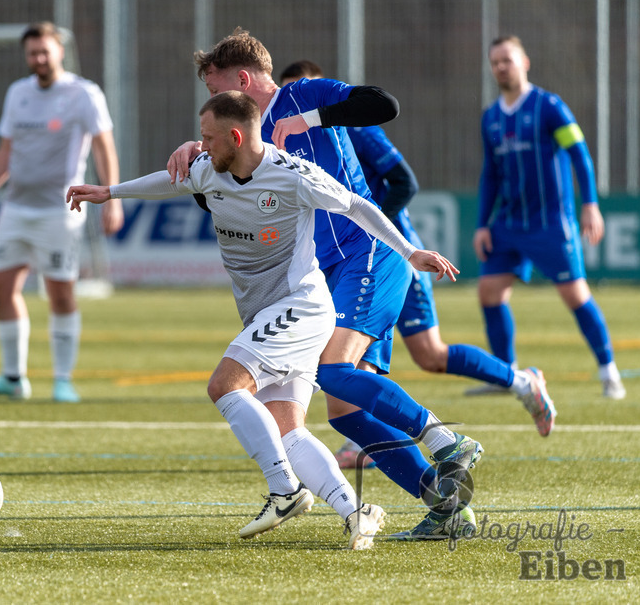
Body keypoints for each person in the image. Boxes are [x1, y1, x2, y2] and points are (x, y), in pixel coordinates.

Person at [69, 91, 462, 548]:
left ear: (236, 137)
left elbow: (356, 205)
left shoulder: (292, 175)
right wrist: (109, 192)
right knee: (287, 429)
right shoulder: (209, 169)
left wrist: (409, 252)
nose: (200, 146)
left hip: (302, 306)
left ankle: (285, 490)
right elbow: (170, 182)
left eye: (208, 138)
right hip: (267, 313)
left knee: (224, 385)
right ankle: (355, 513)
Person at [168, 29, 480, 540]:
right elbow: (219, 191)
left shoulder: (301, 95)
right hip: (331, 274)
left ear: (242, 80)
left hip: (369, 253)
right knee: (345, 412)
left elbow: (384, 105)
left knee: (334, 372)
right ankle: (446, 506)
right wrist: (194, 151)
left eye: (215, 88)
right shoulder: (250, 141)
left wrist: (310, 118)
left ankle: (448, 441)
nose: (213, 101)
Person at [278, 60, 557, 471]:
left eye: (303, 91)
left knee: (419, 355)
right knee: (373, 356)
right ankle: (382, 446)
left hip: (390, 253)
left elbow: (404, 182)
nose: (294, 103)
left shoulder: (353, 126)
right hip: (355, 261)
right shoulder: (286, 141)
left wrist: (374, 229)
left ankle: (518, 385)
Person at [0, 22, 124, 403]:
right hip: (16, 208)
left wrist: (112, 196)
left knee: (60, 293)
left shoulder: (84, 93)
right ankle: (12, 378)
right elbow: (6, 150)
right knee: (1, 286)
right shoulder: (18, 93)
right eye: (32, 53)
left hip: (60, 211)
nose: (38, 59)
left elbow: (103, 145)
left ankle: (62, 380)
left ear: (59, 52)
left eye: (44, 51)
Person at [477, 36, 625, 400]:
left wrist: (590, 204)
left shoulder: (550, 107)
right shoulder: (491, 118)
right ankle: (507, 377)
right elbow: (490, 174)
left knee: (575, 294)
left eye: (507, 60)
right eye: (495, 62)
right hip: (508, 223)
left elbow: (579, 154)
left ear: (525, 62)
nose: (501, 67)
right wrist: (482, 224)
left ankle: (609, 373)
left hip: (550, 223)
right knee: (489, 291)